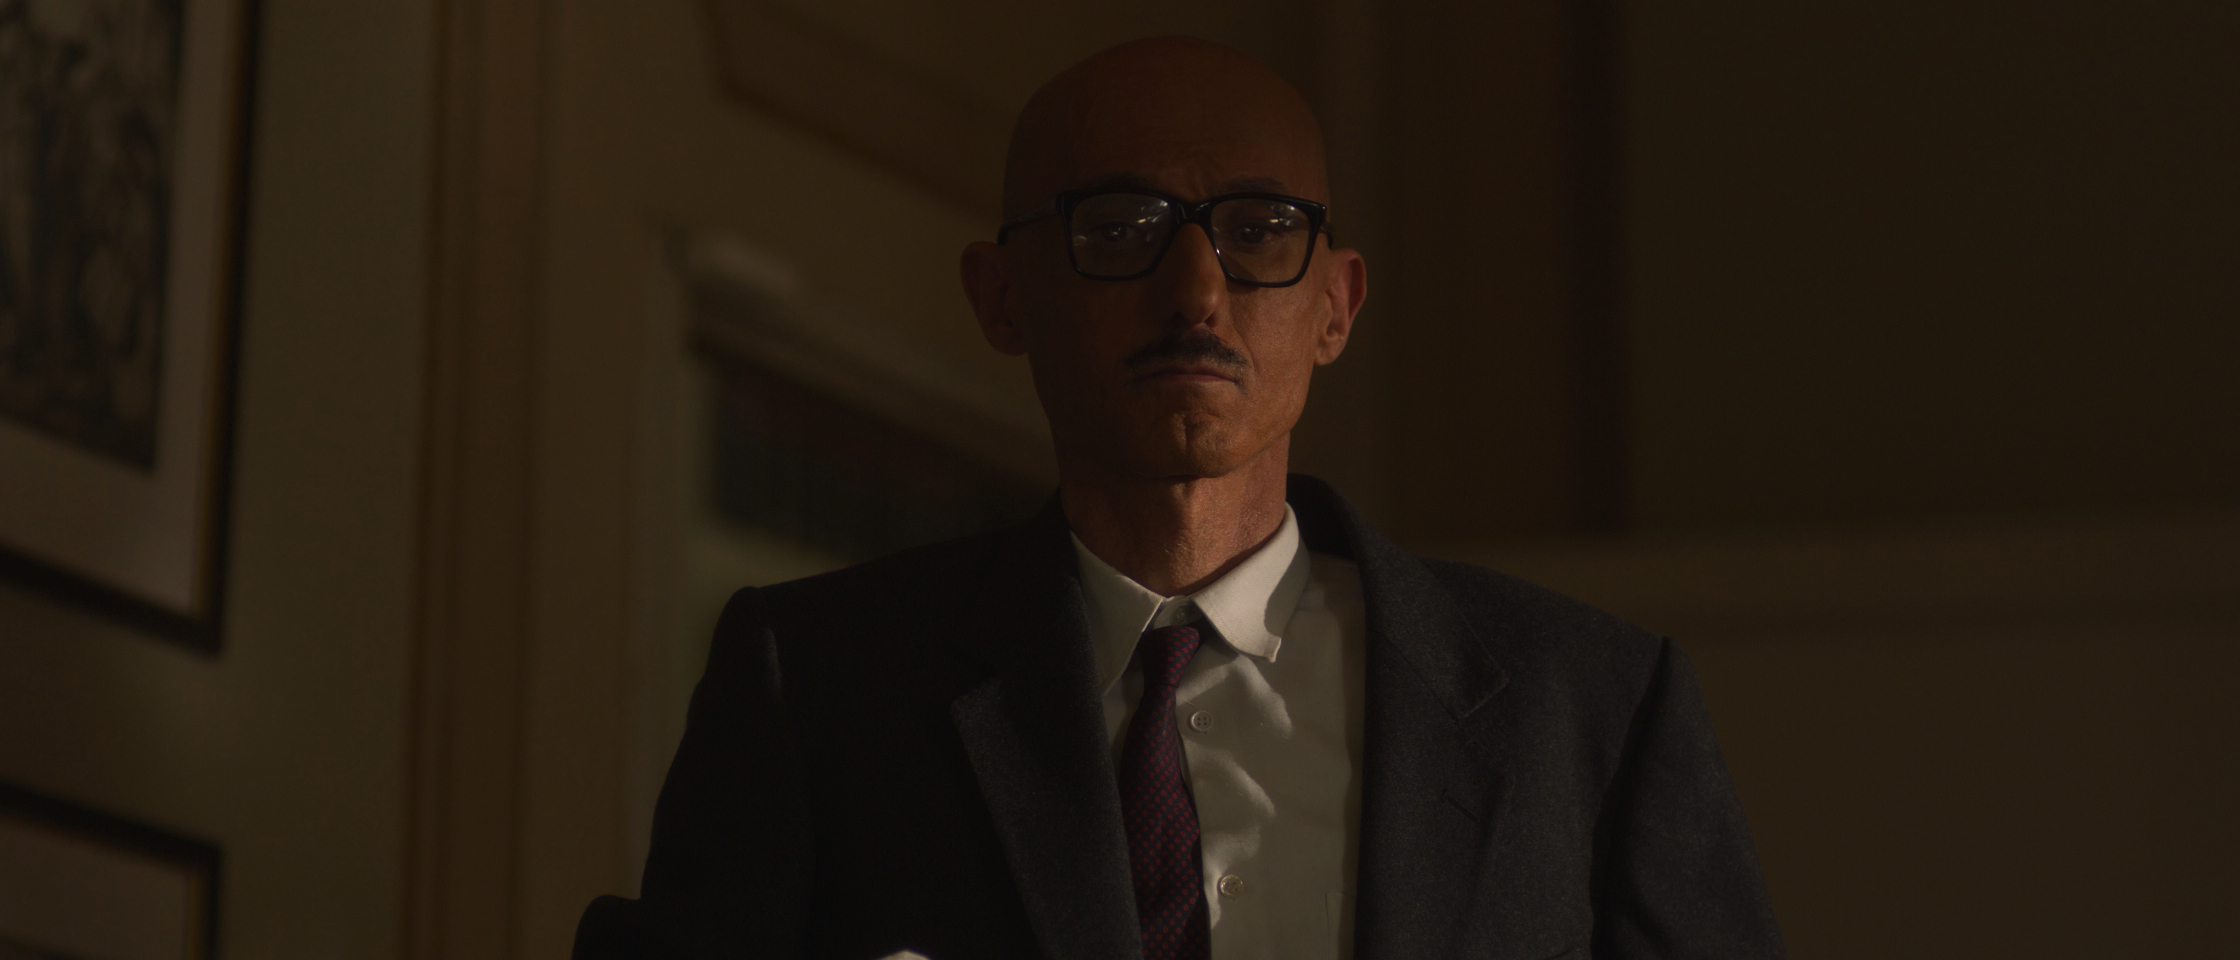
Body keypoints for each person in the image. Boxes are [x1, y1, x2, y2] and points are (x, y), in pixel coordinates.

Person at [575, 36, 1784, 960]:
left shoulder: (1591, 709)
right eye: (1120, 227)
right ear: (1000, 297)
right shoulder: (817, 687)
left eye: (1258, 229)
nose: (1196, 290)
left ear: (1334, 307)